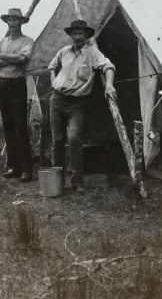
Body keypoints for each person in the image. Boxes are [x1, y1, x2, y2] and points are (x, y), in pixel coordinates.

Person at [48, 19, 116, 190]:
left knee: (74, 138)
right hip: (57, 100)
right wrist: (53, 79)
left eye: (81, 33)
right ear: (70, 35)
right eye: (75, 33)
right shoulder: (64, 51)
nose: (78, 37)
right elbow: (52, 65)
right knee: (57, 140)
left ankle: (77, 178)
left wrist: (109, 84)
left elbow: (108, 66)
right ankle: (58, 178)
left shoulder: (92, 52)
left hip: (76, 104)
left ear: (86, 35)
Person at [0, 7, 35, 182]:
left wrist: (4, 57)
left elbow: (23, 60)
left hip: (17, 84)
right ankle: (13, 167)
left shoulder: (27, 41)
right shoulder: (2, 41)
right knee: (8, 126)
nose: (12, 23)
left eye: (16, 20)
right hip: (3, 84)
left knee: (20, 127)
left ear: (21, 22)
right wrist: (11, 58)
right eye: (10, 20)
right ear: (6, 22)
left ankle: (27, 170)